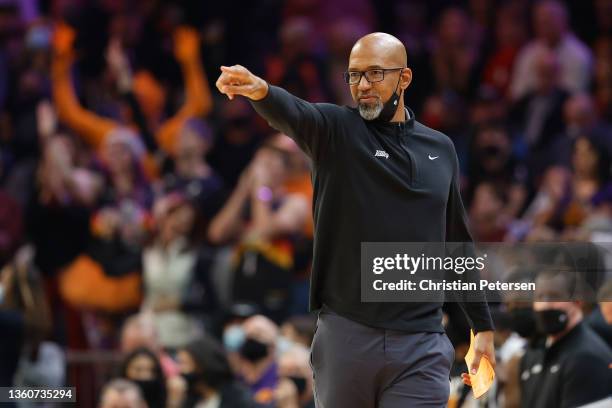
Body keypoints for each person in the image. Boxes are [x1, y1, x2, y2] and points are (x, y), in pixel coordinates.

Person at [216, 32, 495, 407]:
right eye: (354, 75)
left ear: (405, 78)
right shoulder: (336, 131)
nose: (362, 86)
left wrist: (483, 327)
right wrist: (260, 90)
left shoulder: (440, 149)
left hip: (421, 342)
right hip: (347, 334)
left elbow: (456, 243)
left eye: (375, 74)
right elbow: (296, 112)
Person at [519, 270, 612, 407]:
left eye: (554, 297)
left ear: (577, 301)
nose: (545, 305)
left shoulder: (587, 357)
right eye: (539, 297)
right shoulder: (533, 352)